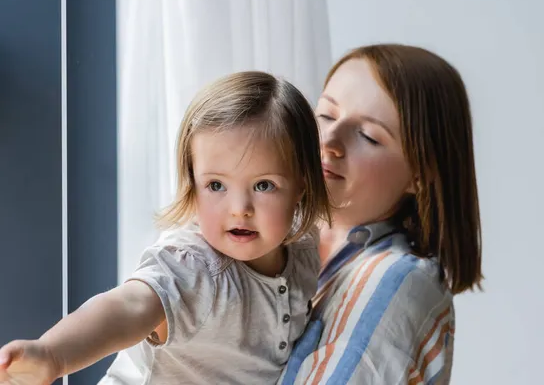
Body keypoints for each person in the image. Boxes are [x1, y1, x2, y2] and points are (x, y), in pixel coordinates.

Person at [0, 71, 331, 385]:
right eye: (216, 185)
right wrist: (53, 354)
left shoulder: (304, 251)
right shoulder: (194, 268)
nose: (239, 210)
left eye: (263, 186)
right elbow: (128, 306)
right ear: (192, 183)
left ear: (301, 185)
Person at [279, 44, 483, 384]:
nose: (330, 139)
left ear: (419, 174)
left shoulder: (397, 279)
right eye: (326, 115)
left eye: (368, 136)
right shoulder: (272, 236)